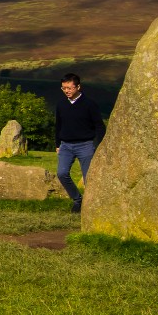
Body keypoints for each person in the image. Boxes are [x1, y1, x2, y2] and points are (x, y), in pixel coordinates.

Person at [52, 72, 105, 212]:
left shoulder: (89, 104)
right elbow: (58, 125)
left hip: (85, 145)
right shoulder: (61, 104)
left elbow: (99, 126)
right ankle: (77, 200)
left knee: (89, 178)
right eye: (63, 88)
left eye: (69, 88)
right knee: (62, 173)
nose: (66, 91)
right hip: (65, 145)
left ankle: (91, 206)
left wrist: (99, 145)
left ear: (78, 87)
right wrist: (57, 144)